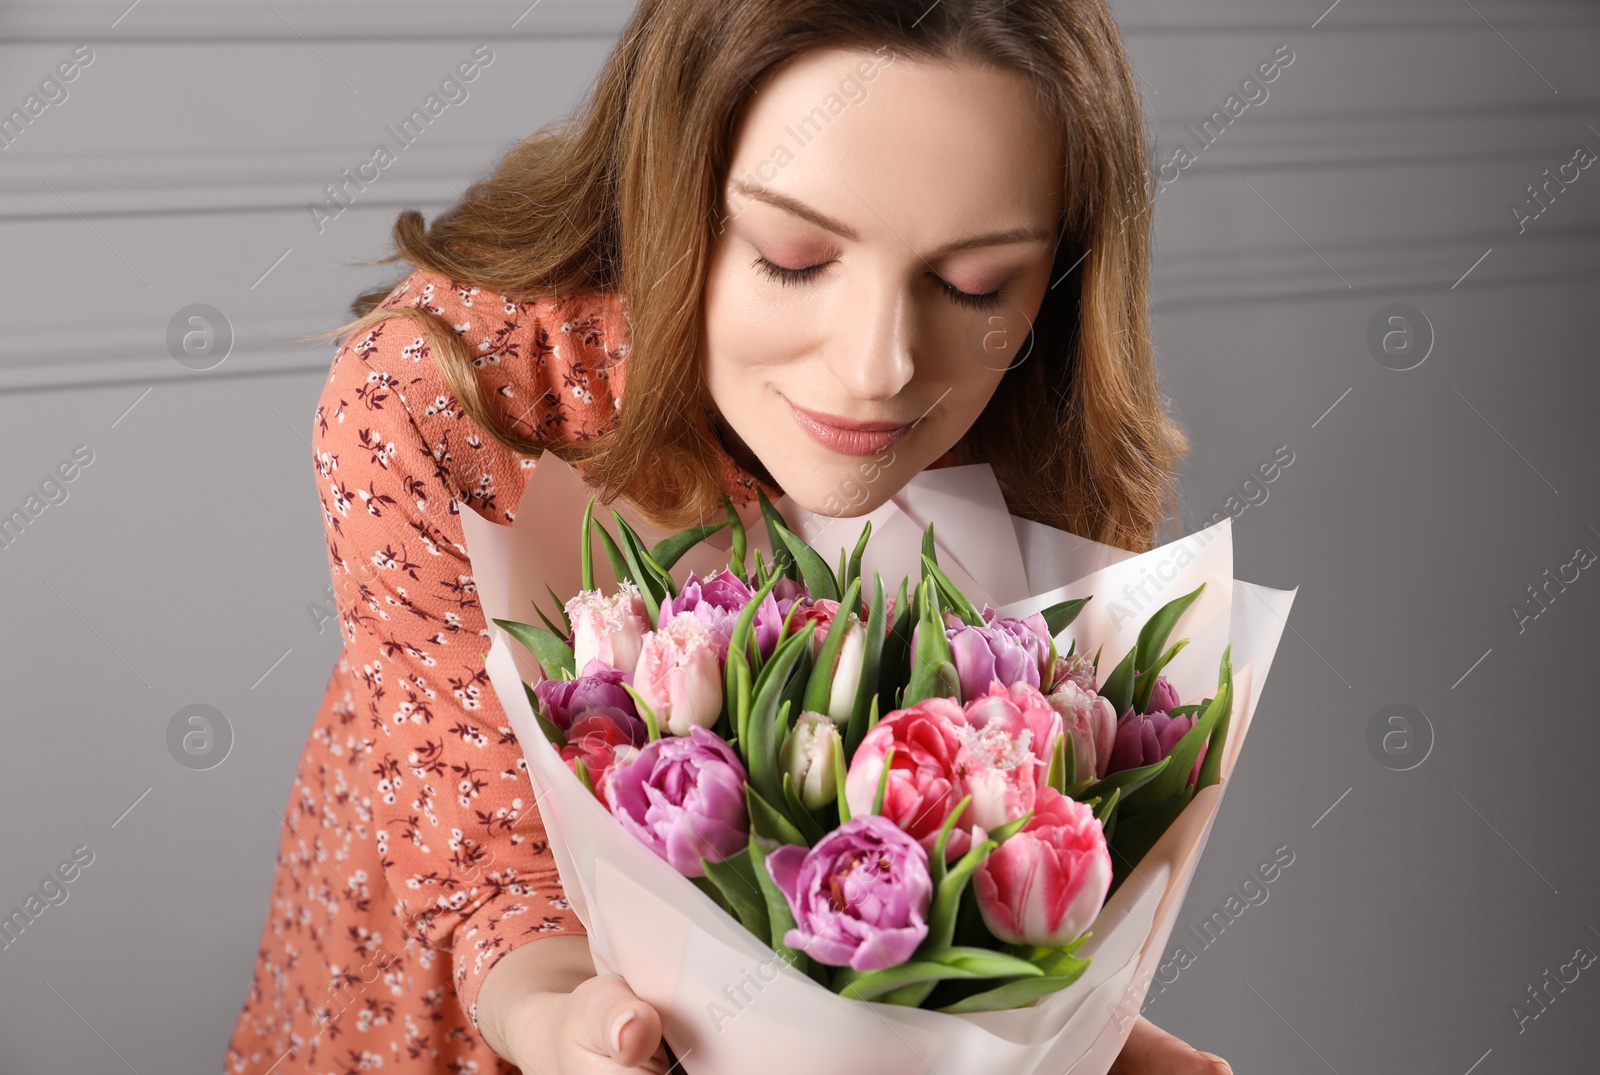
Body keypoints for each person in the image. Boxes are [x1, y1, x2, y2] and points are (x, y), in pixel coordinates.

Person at [227, 1, 1228, 1072]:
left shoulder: (1024, 414)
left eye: (975, 282)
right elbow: (482, 862)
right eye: (794, 257)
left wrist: (1060, 1026)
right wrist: (561, 1019)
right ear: (672, 189)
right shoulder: (452, 393)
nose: (878, 367)